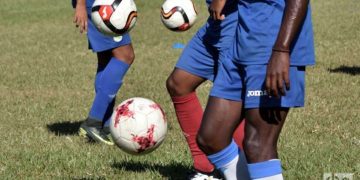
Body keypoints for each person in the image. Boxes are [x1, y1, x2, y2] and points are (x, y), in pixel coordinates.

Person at [197, 0, 315, 179]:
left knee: (257, 145)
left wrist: (281, 49)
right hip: (241, 45)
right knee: (211, 138)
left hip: (273, 49)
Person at [166, 0, 248, 179]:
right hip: (216, 23)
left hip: (237, 21)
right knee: (178, 83)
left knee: (229, 100)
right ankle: (206, 167)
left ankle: (247, 168)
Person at [72, 0, 135, 145]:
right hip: (101, 4)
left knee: (107, 59)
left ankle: (105, 125)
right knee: (125, 55)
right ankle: (93, 122)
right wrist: (81, 4)